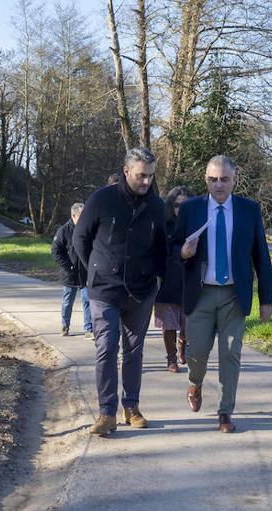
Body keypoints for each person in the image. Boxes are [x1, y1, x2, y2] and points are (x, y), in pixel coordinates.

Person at [171, 155, 272, 433]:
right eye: (213, 179)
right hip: (200, 293)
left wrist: (267, 299)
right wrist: (183, 252)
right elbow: (171, 248)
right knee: (198, 353)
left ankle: (225, 411)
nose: (218, 185)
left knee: (230, 354)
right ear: (205, 180)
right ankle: (195, 383)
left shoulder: (248, 210)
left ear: (234, 180)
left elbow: (261, 256)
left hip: (233, 295)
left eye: (224, 179)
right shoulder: (191, 209)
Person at [73, 147, 167, 437]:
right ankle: (106, 412)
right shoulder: (102, 199)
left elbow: (162, 247)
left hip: (141, 291)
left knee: (134, 351)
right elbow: (80, 238)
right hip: (104, 290)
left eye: (151, 176)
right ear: (126, 171)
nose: (147, 182)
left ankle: (132, 406)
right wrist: (95, 270)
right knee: (106, 348)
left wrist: (158, 283)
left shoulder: (157, 206)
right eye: (141, 175)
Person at [155, 186, 191, 372]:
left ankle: (182, 348)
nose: (181, 209)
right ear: (171, 206)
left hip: (190, 281)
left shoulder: (194, 225)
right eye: (177, 205)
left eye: (185, 205)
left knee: (188, 323)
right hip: (168, 281)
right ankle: (171, 358)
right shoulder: (164, 225)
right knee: (169, 324)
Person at [52, 202, 93, 338]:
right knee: (67, 302)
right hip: (69, 274)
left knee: (87, 300)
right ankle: (65, 326)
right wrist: (68, 266)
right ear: (73, 215)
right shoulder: (63, 230)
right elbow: (56, 251)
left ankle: (89, 329)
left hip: (85, 273)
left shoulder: (89, 229)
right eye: (82, 215)